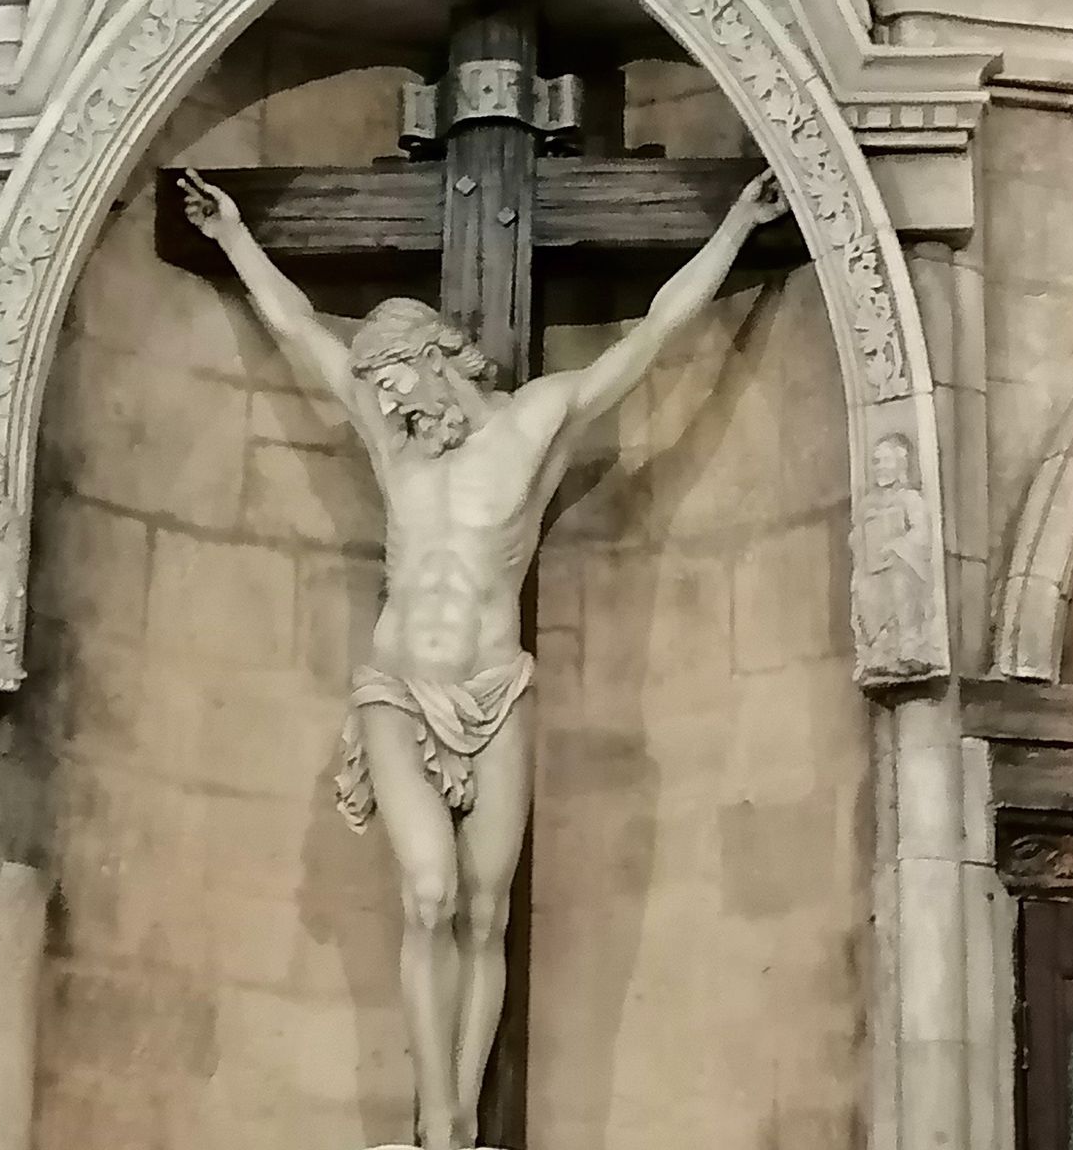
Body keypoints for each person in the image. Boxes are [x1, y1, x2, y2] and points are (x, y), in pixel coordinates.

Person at [176, 163, 787, 1150]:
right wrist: (236, 237)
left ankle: (460, 1133)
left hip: (498, 689)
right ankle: (438, 1116)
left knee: (488, 906)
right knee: (430, 889)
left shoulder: (538, 420)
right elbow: (299, 331)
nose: (387, 403)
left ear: (433, 356)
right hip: (396, 689)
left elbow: (657, 336)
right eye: (375, 390)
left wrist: (732, 229)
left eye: (395, 382)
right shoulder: (392, 444)